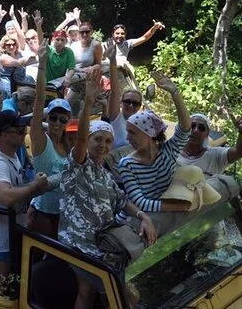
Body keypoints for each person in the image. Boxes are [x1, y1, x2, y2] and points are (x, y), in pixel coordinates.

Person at [60, 68, 156, 309]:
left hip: (103, 243)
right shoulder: (78, 165)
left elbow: (121, 199)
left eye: (108, 141)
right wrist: (88, 101)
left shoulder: (104, 173)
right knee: (116, 294)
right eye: (98, 139)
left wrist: (143, 216)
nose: (102, 145)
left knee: (93, 292)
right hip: (80, 244)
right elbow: (81, 139)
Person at [0, 110, 51, 287]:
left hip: (13, 230)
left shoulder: (10, 154)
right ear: (5, 135)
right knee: (0, 289)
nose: (24, 133)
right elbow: (5, 196)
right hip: (1, 239)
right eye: (20, 131)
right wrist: (35, 186)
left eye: (24, 129)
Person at [119, 71, 192, 214]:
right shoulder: (127, 164)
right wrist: (182, 207)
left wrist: (175, 93)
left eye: (132, 133)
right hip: (138, 220)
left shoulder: (168, 151)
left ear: (149, 134)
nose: (127, 138)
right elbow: (141, 203)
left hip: (163, 217)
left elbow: (185, 128)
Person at [27, 40, 72, 239]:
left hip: (62, 209)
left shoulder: (67, 145)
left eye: (62, 119)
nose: (57, 123)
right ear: (47, 118)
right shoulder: (40, 140)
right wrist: (42, 65)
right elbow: (39, 99)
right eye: (53, 118)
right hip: (42, 211)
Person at [105, 41, 143, 149]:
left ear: (139, 106)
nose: (131, 105)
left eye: (135, 103)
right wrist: (113, 60)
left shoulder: (143, 124)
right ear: (121, 103)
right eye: (127, 101)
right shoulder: (116, 118)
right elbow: (114, 92)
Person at [177, 114, 242, 175]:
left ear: (207, 134)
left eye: (201, 128)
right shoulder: (173, 152)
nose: (195, 130)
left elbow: (239, 152)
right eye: (192, 126)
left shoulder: (216, 155)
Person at [67, 21, 102, 116]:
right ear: (79, 33)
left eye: (87, 31)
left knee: (83, 110)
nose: (84, 34)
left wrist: (91, 68)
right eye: (82, 32)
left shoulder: (96, 45)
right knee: (68, 106)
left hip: (88, 80)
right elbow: (70, 64)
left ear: (91, 32)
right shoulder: (74, 45)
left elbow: (99, 64)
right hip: (74, 79)